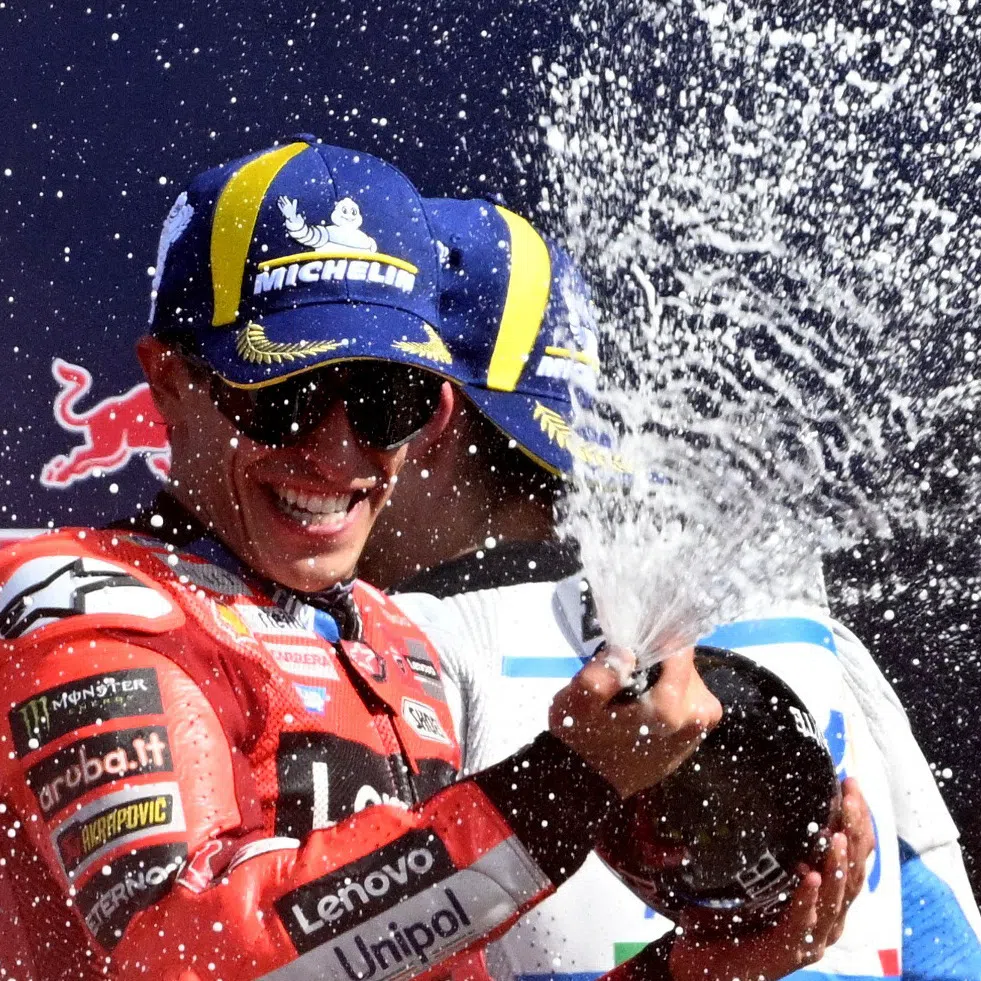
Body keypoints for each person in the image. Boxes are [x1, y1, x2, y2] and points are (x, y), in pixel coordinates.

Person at [0, 137, 859, 981]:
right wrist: (563, 785)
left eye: (385, 399)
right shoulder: (83, 606)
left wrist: (690, 974)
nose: (337, 453)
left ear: (439, 416)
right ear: (169, 380)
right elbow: (185, 957)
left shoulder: (393, 637)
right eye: (287, 395)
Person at [359, 197, 981, 981]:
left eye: (356, 401)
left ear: (432, 417)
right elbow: (945, 942)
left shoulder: (405, 646)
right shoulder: (795, 612)